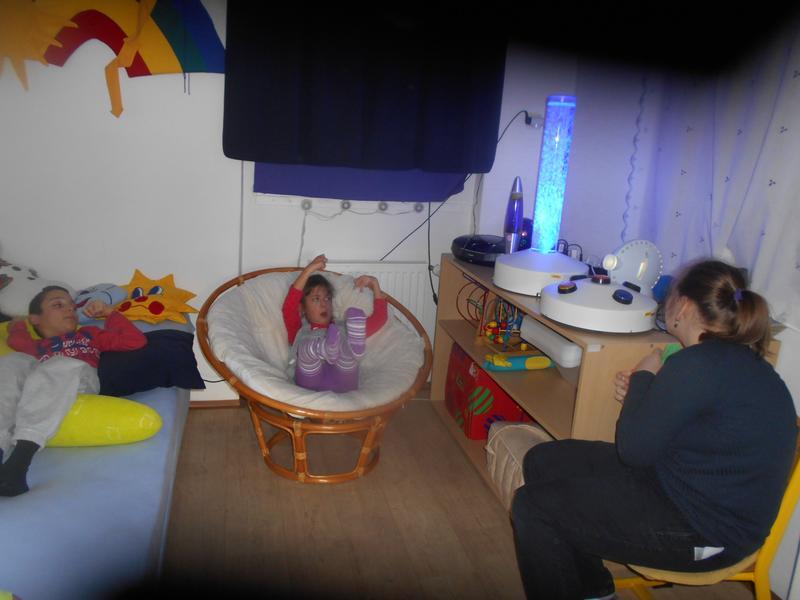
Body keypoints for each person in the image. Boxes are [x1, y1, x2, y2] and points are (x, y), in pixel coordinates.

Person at [510, 259, 797, 600]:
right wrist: (644, 395)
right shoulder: (740, 363)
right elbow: (693, 430)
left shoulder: (695, 364)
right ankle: (594, 590)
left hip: (707, 533)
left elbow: (633, 450)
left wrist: (644, 376)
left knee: (533, 507)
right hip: (680, 487)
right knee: (544, 460)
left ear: (684, 306)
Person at [0, 286, 146, 496]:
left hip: (77, 379)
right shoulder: (35, 346)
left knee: (59, 364)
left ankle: (19, 463)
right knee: (12, 362)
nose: (70, 309)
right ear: (35, 319)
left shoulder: (88, 334)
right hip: (40, 383)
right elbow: (15, 340)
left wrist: (110, 313)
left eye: (72, 306)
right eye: (58, 305)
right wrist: (17, 324)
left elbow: (135, 341)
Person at [282, 254, 388, 392]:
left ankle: (349, 350)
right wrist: (309, 270)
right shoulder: (299, 329)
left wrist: (374, 284)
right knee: (305, 348)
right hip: (310, 384)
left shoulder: (347, 327)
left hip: (343, 383)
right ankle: (323, 348)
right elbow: (290, 306)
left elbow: (379, 318)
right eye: (316, 299)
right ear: (302, 308)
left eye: (327, 298)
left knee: (347, 344)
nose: (323, 304)